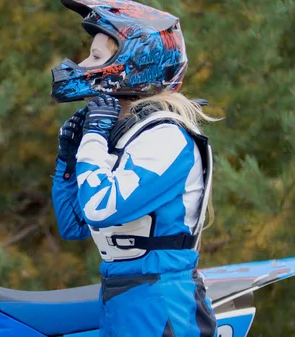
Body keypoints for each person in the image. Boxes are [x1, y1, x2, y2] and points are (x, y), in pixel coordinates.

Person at [50, 1, 219, 336]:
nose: (83, 65)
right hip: (122, 294)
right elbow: (73, 225)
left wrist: (94, 138)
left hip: (160, 299)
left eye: (96, 57)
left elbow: (100, 206)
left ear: (134, 64)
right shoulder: (127, 134)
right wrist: (67, 159)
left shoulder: (167, 137)